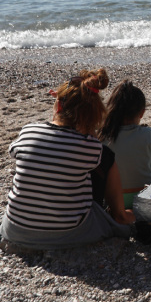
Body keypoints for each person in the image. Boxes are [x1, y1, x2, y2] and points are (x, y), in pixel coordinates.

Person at [1, 69, 134, 250]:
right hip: (68, 233)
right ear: (94, 113)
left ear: (58, 105)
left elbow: (15, 152)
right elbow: (92, 142)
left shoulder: (28, 131)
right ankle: (121, 216)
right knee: (105, 159)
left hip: (15, 229)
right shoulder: (91, 147)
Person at [100, 80, 151, 209]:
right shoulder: (148, 133)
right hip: (148, 197)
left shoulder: (103, 136)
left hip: (114, 199)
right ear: (141, 112)